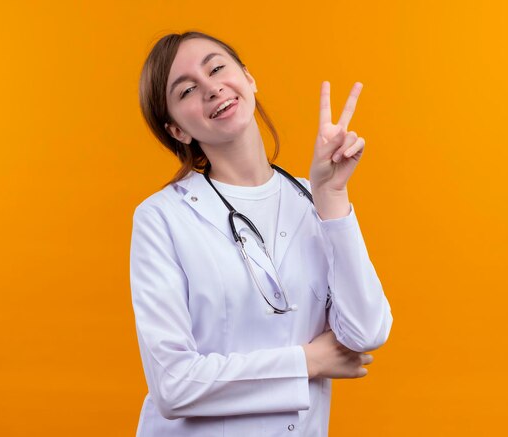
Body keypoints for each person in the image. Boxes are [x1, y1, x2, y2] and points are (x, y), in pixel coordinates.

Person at [130, 30, 393, 436]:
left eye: (217, 68)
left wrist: (332, 195)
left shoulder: (314, 199)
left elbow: (366, 331)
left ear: (248, 79)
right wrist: (308, 361)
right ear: (178, 131)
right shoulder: (162, 218)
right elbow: (174, 386)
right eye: (186, 91)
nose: (212, 88)